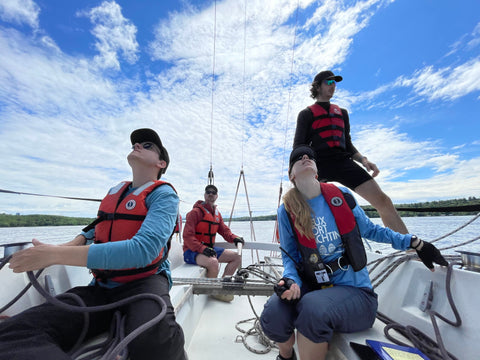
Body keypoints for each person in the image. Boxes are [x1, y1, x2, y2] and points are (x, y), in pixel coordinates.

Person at [0, 128, 186, 360]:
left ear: (161, 163)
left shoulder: (164, 195)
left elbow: (144, 250)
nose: (137, 145)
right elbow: (96, 228)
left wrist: (55, 255)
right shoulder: (116, 192)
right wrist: (69, 244)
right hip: (101, 288)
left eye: (147, 145)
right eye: (135, 143)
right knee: (15, 333)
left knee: (156, 343)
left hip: (144, 284)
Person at [260, 145, 448, 360]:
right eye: (298, 158)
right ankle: (286, 357)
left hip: (356, 292)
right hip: (313, 286)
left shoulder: (341, 195)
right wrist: (291, 281)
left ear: (317, 170)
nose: (305, 157)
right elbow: (290, 257)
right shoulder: (286, 211)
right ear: (291, 174)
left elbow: (371, 230)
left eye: (310, 156)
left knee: (312, 308)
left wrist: (414, 242)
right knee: (274, 313)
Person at [293, 70, 409, 234]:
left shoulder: (342, 113)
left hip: (343, 162)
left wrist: (363, 160)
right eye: (329, 82)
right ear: (317, 86)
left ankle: (409, 248)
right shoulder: (306, 114)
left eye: (335, 83)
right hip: (319, 165)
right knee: (310, 210)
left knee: (383, 201)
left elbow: (347, 144)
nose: (333, 86)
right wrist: (299, 172)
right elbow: (298, 146)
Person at [183, 184, 245, 302]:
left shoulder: (217, 214)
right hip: (192, 251)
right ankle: (212, 292)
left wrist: (235, 238)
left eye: (213, 192)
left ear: (216, 196)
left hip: (208, 249)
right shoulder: (195, 213)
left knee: (237, 257)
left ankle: (222, 286)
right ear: (205, 195)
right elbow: (187, 236)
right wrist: (202, 248)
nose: (211, 194)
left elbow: (225, 231)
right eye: (208, 192)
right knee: (213, 262)